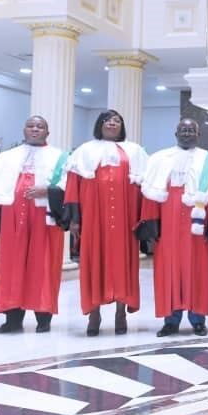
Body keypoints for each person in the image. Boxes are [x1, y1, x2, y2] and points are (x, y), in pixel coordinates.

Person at [0, 115, 68, 333]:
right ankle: (13, 319)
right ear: (24, 130)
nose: (35, 129)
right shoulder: (7, 157)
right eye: (31, 126)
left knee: (43, 266)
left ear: (47, 132)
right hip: (11, 220)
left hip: (45, 222)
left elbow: (70, 187)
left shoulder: (60, 157)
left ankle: (43, 318)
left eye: (40, 126)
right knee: (11, 267)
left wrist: (48, 191)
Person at [63, 110, 148, 336]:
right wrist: (74, 218)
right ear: (99, 125)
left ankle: (121, 313)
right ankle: (94, 314)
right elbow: (72, 185)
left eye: (117, 120)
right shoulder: (85, 150)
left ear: (122, 126)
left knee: (124, 263)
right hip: (93, 217)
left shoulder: (135, 151)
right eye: (107, 120)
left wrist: (144, 218)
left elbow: (145, 187)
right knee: (93, 263)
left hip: (125, 219)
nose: (112, 123)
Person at [138, 118, 208, 337]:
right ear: (175, 133)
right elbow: (151, 193)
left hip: (197, 224)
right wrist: (152, 223)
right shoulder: (159, 159)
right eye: (183, 130)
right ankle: (171, 320)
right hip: (167, 222)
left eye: (191, 130)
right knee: (168, 271)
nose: (187, 133)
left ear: (198, 134)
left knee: (198, 271)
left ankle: (198, 319)